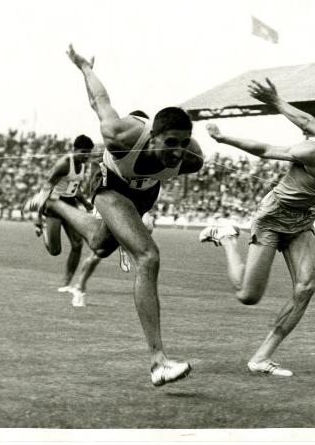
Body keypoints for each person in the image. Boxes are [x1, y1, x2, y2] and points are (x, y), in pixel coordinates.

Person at [25, 44, 204, 386]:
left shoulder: (191, 159)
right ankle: (158, 361)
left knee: (100, 243)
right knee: (148, 256)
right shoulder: (120, 136)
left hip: (144, 193)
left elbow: (182, 156)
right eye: (170, 143)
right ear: (152, 136)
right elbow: (100, 100)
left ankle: (55, 206)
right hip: (109, 185)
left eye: (183, 143)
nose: (176, 152)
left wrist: (177, 156)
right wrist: (84, 68)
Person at [199, 77, 315, 377]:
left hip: (302, 220)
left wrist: (276, 101)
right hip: (273, 217)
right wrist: (223, 139)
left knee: (306, 287)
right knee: (248, 296)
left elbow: (306, 119)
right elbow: (265, 149)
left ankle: (261, 358)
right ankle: (226, 237)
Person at [24, 134, 95, 290]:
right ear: (74, 149)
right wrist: (38, 217)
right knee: (55, 251)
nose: (87, 155)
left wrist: (85, 203)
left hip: (69, 204)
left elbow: (75, 188)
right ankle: (44, 229)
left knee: (77, 244)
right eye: (83, 151)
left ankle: (66, 283)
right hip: (54, 204)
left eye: (89, 152)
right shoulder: (63, 164)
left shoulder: (82, 165)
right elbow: (45, 189)